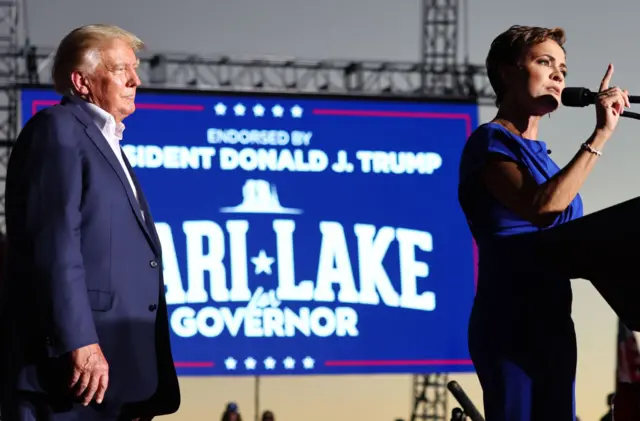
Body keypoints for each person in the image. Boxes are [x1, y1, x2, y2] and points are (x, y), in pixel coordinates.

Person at [0, 24, 181, 420]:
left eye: (135, 69)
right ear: (81, 81)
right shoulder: (58, 130)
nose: (136, 80)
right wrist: (78, 342)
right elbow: (55, 245)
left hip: (119, 371)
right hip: (72, 375)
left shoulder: (108, 144)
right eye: (121, 70)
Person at [457, 25, 629, 420]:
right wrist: (601, 135)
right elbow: (542, 207)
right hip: (510, 319)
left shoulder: (548, 161)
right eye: (544, 62)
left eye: (563, 69)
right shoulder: (489, 142)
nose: (558, 75)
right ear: (507, 71)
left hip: (554, 320)